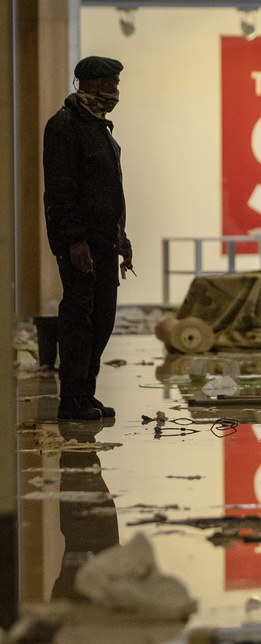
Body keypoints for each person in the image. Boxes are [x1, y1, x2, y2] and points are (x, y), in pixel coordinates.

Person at [43, 55, 133, 421]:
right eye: (112, 83)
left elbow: (109, 191)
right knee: (79, 320)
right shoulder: (65, 126)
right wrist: (74, 240)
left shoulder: (99, 127)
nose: (116, 90)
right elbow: (60, 188)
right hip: (81, 245)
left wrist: (121, 237)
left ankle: (86, 393)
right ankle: (71, 399)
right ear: (93, 84)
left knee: (103, 319)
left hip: (105, 241)